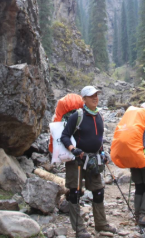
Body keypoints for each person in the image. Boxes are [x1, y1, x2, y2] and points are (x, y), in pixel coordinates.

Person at [60, 86, 116, 237]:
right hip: (77, 160)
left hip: (94, 159)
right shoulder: (77, 116)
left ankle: (101, 224)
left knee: (98, 191)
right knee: (75, 193)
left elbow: (99, 139)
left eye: (96, 95)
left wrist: (103, 153)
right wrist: (73, 149)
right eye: (91, 96)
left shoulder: (99, 115)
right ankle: (79, 229)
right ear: (83, 99)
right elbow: (64, 136)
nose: (95, 98)